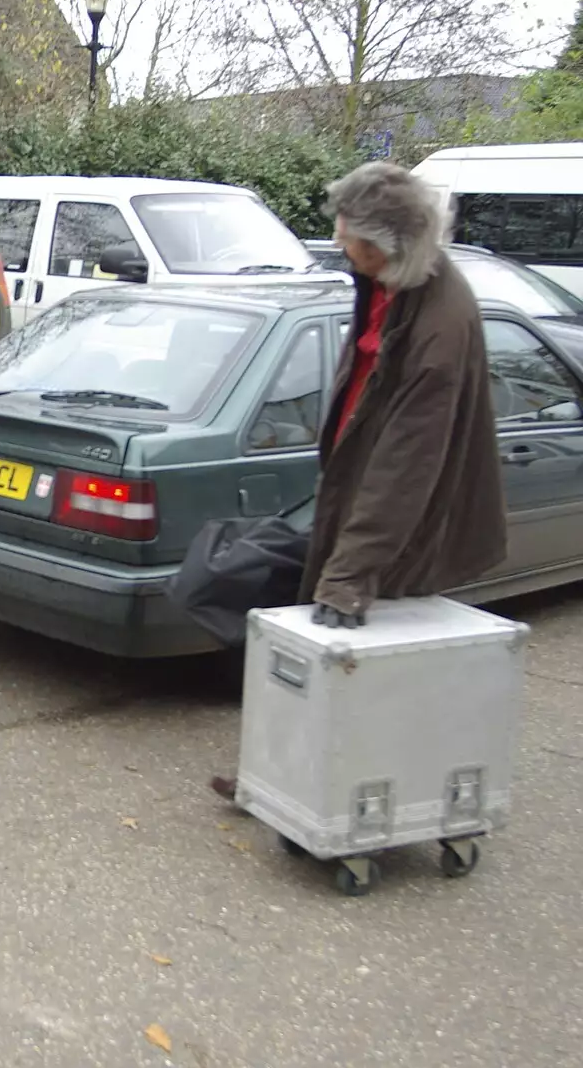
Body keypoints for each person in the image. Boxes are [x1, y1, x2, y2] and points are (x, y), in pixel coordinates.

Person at [211, 161, 507, 802]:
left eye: (350, 236)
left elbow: (408, 467)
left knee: (365, 675)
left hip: (402, 527)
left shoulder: (441, 325)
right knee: (306, 656)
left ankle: (340, 795)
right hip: (355, 490)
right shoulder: (385, 281)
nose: (340, 242)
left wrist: (350, 575)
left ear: (387, 244)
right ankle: (277, 780)